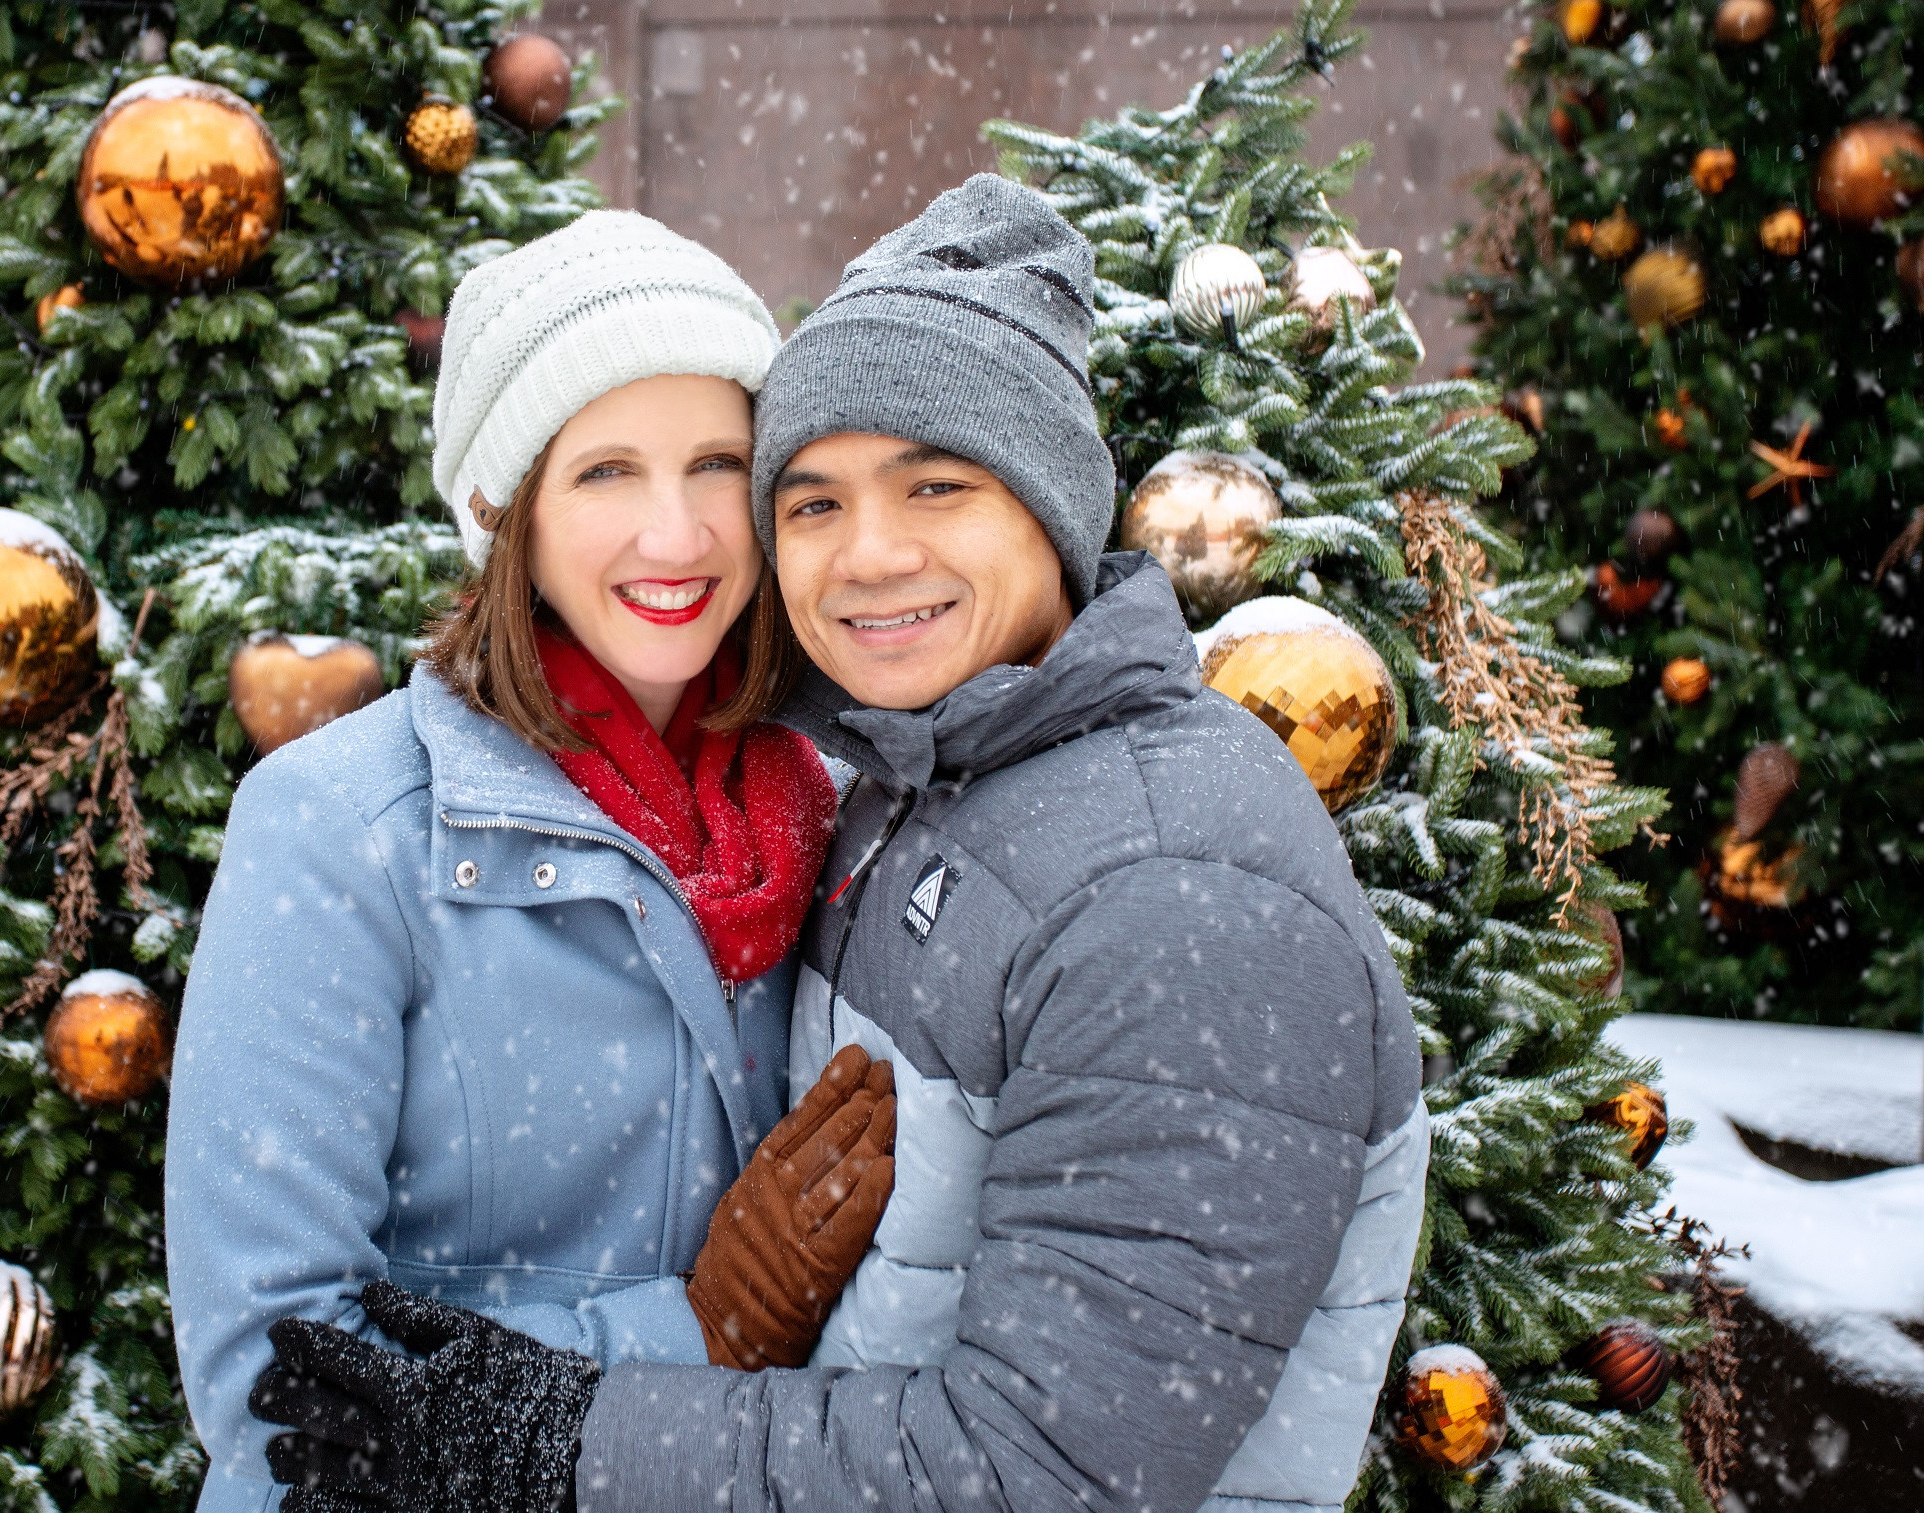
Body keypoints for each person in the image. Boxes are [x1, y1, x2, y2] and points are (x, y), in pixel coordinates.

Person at [249, 176, 1428, 1513]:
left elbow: (1043, 1473)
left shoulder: (1179, 892)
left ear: (1050, 505)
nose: (866, 555)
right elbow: (278, 1365)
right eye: (810, 502)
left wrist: (570, 1435)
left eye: (936, 484)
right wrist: (692, 1335)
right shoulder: (896, 781)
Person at [165, 210, 899, 1513]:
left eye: (716, 464)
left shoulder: (828, 802)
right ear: (505, 506)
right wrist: (695, 1338)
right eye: (605, 470)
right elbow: (277, 1379)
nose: (675, 535)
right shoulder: (344, 828)